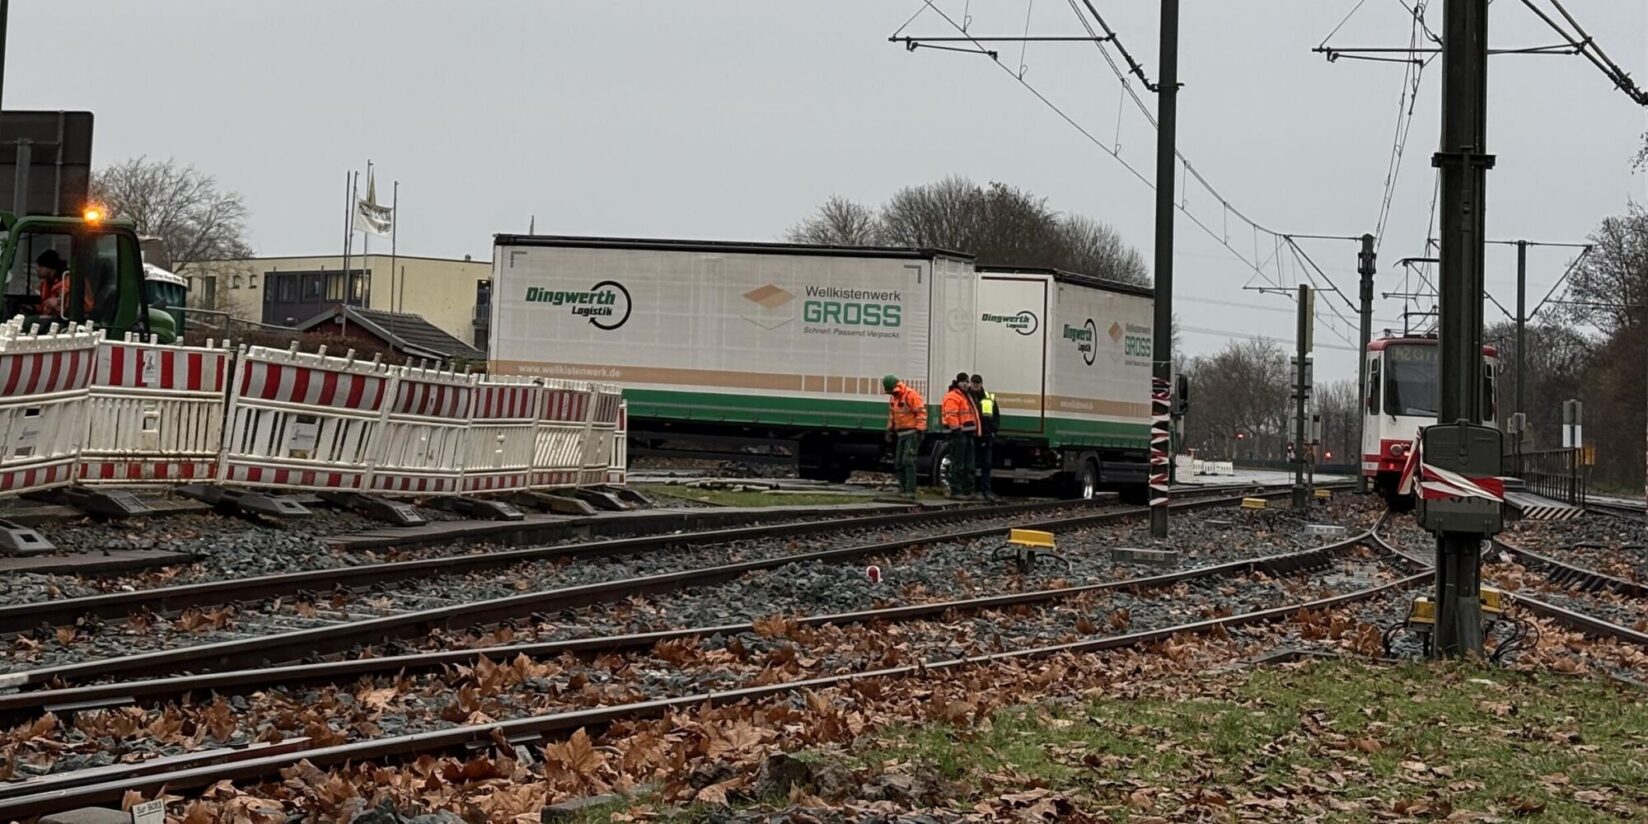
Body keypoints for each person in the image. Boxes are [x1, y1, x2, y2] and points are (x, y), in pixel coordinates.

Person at [882, 374, 927, 499]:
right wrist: (889, 430)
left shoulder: (910, 395)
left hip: (912, 433)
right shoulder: (894, 398)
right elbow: (892, 415)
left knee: (908, 461)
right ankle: (904, 489)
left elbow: (921, 412)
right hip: (902, 434)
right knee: (899, 463)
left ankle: (910, 490)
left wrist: (920, 430)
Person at [940, 372, 979, 499]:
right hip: (958, 434)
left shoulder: (966, 396)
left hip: (967, 433)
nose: (965, 384)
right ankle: (956, 490)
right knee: (958, 463)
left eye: (967, 382)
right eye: (963, 381)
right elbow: (951, 415)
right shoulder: (953, 396)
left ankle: (967, 490)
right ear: (957, 382)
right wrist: (956, 430)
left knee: (968, 464)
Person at [34, 249, 89, 318]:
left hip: (68, 317)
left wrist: (58, 301)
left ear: (49, 268)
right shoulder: (45, 283)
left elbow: (75, 302)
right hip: (50, 316)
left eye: (40, 266)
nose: (37, 269)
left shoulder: (70, 281)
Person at [971, 374, 1000, 500]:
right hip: (972, 435)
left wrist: (993, 431)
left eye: (977, 383)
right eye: (974, 382)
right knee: (971, 464)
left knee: (986, 464)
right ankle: (972, 489)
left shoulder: (988, 398)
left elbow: (996, 416)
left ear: (981, 384)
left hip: (986, 436)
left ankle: (985, 489)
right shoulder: (967, 397)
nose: (976, 385)